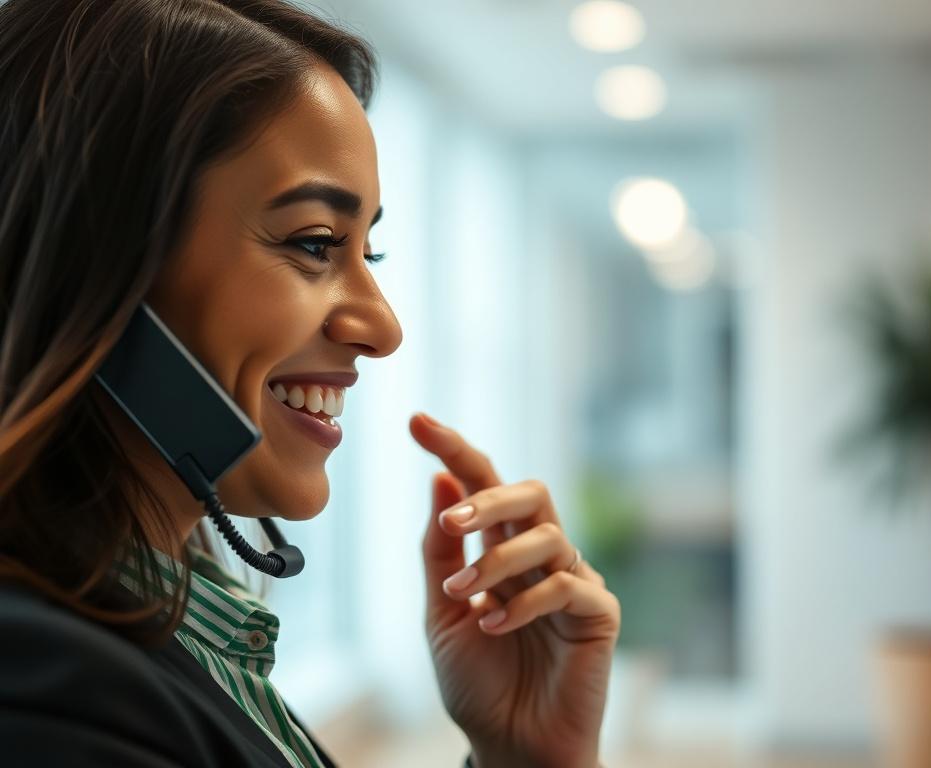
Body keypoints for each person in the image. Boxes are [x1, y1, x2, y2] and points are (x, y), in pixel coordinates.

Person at [0, 1, 621, 766]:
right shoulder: (50, 688)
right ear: (89, 267)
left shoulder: (168, 638)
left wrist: (525, 757)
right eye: (315, 243)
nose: (384, 326)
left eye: (370, 253)